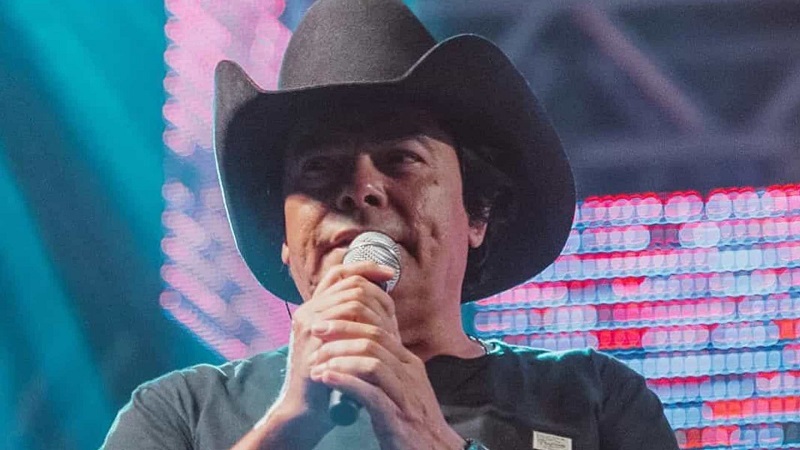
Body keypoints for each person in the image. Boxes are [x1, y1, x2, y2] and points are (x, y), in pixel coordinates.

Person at [102, 0, 679, 449]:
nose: (361, 188)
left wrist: (431, 440)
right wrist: (286, 427)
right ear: (282, 235)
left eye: (401, 158)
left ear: (477, 214)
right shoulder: (185, 413)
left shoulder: (592, 402)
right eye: (318, 167)